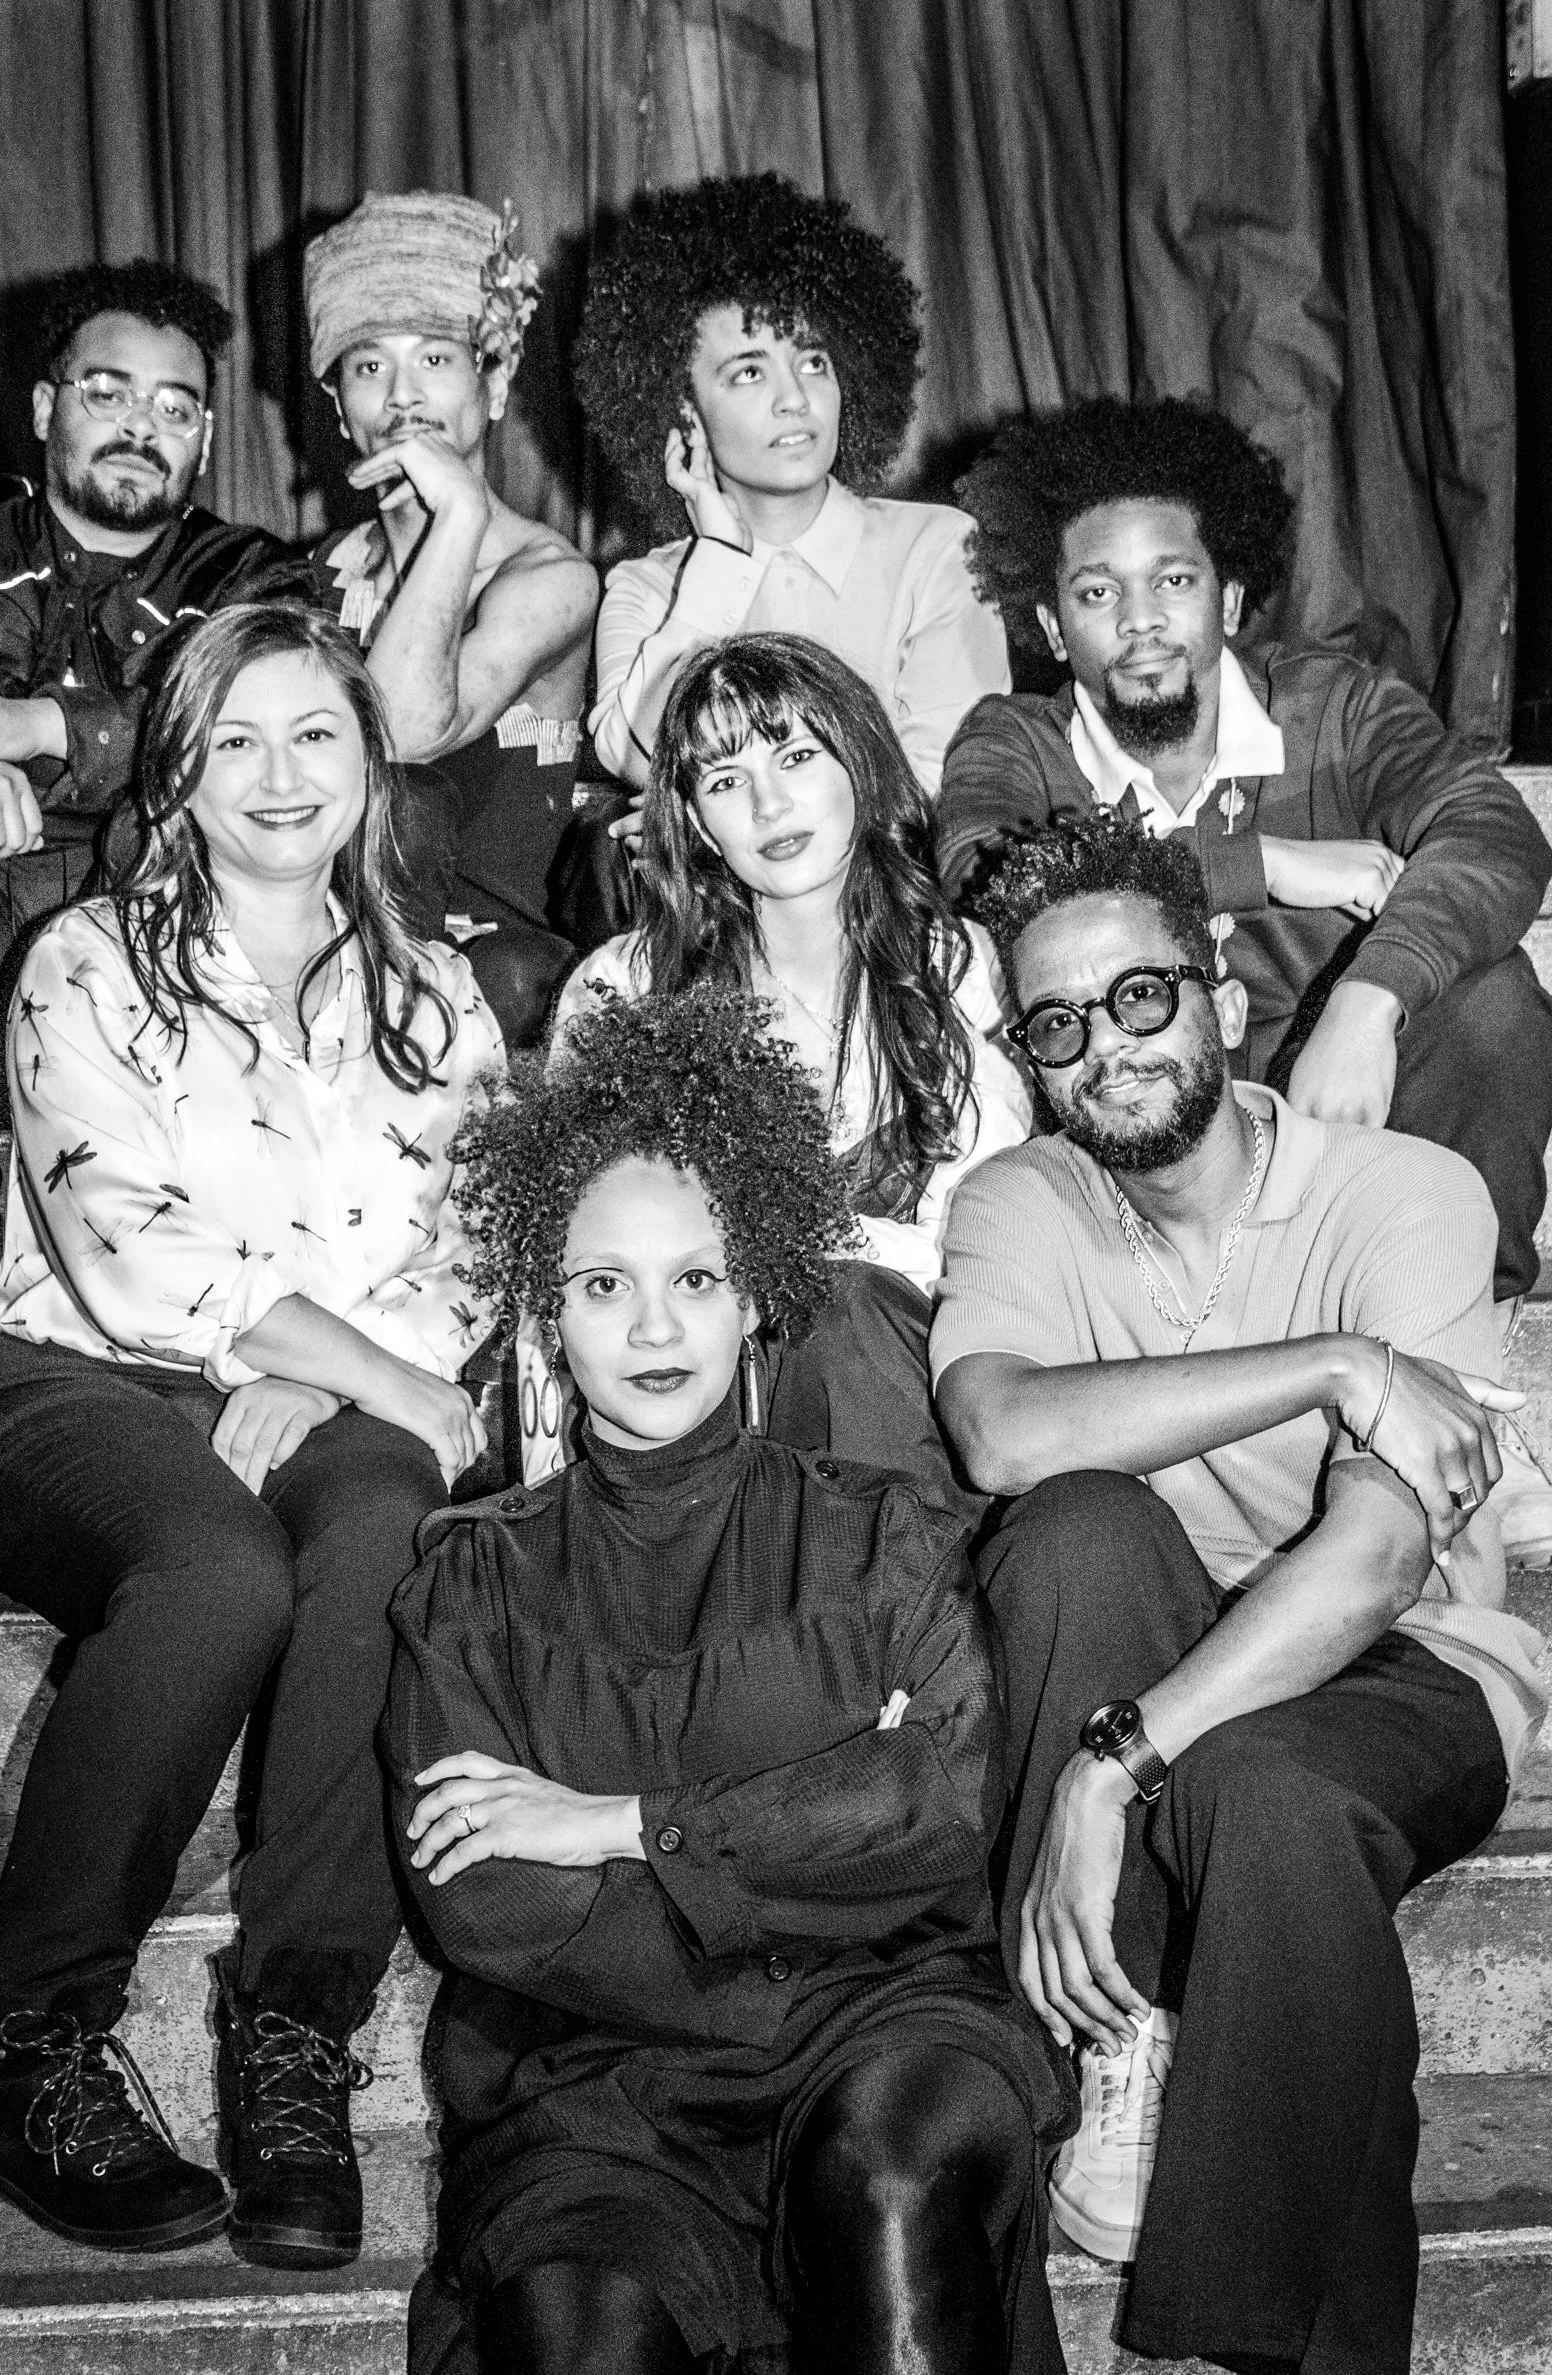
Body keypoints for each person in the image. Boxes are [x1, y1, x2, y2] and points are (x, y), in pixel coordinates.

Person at [929, 810, 1548, 2373]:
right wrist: (1342, 1363)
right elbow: (1002, 1431)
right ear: (1028, 1051)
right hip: (1142, 1628)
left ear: (1214, 976)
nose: (1109, 1049)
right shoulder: (1021, 1202)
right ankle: (1116, 2023)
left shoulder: (1405, 1190)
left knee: (1268, 1789)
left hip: (1402, 1663)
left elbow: (1379, 1554)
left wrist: (1116, 1760)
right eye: (1059, 1024)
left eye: (1141, 995)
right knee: (1070, 1526)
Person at [385, 985, 1076, 2375]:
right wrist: (811, 1826)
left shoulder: (883, 1529)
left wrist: (622, 1824)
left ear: (755, 1288)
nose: (654, 1327)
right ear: (546, 1309)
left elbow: (934, 1805)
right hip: (594, 2090)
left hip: (881, 2031)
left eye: (694, 1276)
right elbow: (496, 1903)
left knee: (892, 2183)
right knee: (573, 2328)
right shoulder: (470, 1579)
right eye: (602, 1284)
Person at [0, 603, 504, 2270]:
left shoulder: (438, 998)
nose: (278, 773)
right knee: (215, 1575)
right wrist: (362, 1368)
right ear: (178, 771)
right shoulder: (84, 960)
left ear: (368, 766)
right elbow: (131, 1247)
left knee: (376, 1528)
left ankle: (294, 2040)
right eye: (235, 738)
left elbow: (473, 1246)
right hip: (76, 1384)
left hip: (336, 1393)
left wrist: (334, 1385)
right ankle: (29, 2054)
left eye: (314, 734)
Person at [935, 396, 1552, 1556]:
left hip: (1330, 1111)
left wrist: (1367, 1007)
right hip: (1139, 1132)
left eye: (1170, 582)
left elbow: (1492, 828)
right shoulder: (1009, 744)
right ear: (1050, 626)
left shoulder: (1337, 707)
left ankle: (1463, 1385)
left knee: (1488, 1004)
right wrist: (1258, 862)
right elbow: (990, 884)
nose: (1140, 622)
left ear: (1224, 599)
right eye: (1095, 592)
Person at [0, 259, 317, 1360]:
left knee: (205, 823)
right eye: (107, 392)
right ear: (45, 407)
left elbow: (274, 739)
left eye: (174, 405)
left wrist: (35, 732)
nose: (139, 426)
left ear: (204, 435)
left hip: (142, 946)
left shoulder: (250, 574)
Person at [551, 632, 1029, 1508]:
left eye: (798, 756)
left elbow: (991, 1231)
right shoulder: (625, 989)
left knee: (851, 1311)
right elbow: (593, 1258)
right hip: (699, 1391)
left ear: (861, 767)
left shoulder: (959, 967)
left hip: (927, 1383)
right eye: (726, 781)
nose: (770, 803)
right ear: (695, 819)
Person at [575, 172, 1010, 858]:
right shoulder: (647, 587)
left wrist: (704, 826)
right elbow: (633, 757)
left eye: (812, 362)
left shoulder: (934, 549)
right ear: (682, 411)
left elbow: (947, 786)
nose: (794, 399)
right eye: (749, 372)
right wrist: (719, 559)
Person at [303, 191, 599, 1045]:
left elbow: (399, 728)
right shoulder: (316, 574)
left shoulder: (551, 578)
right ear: (337, 407)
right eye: (368, 367)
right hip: (318, 946)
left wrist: (460, 516)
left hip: (498, 982)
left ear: (495, 384)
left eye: (436, 359)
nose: (402, 396)